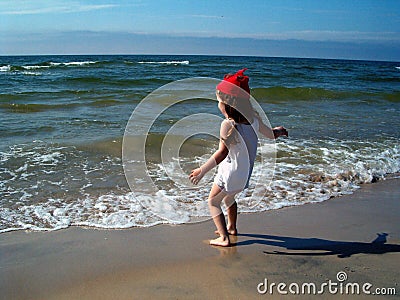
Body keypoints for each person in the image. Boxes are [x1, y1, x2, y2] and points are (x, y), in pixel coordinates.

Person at [189, 69, 288, 247]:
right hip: (245, 174)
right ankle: (232, 227)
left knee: (213, 201)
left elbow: (222, 153)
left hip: (230, 172)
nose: (217, 104)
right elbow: (271, 134)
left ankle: (224, 237)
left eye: (218, 100)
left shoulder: (227, 124)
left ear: (227, 103)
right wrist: (279, 131)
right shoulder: (254, 120)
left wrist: (201, 170)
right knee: (230, 199)